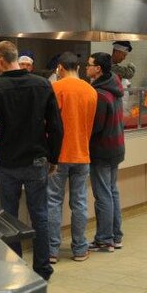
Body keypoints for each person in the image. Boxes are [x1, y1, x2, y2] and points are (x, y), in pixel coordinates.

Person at [0, 40, 63, 280]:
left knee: (9, 217)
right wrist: (53, 157)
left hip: (8, 162)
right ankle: (43, 269)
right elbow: (56, 126)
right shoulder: (42, 84)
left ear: (1, 60)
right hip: (36, 160)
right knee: (40, 215)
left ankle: (15, 266)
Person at [46, 53, 97, 263]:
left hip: (58, 155)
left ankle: (51, 251)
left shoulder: (56, 89)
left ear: (60, 68)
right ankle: (79, 249)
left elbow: (48, 123)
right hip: (82, 153)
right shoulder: (91, 91)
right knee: (80, 202)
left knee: (53, 202)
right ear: (78, 66)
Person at [86, 53, 126, 252]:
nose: (87, 68)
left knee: (103, 194)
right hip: (116, 147)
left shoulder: (100, 94)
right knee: (112, 191)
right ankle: (116, 236)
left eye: (89, 65)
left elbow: (96, 127)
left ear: (98, 69)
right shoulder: (115, 86)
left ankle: (104, 239)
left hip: (102, 149)